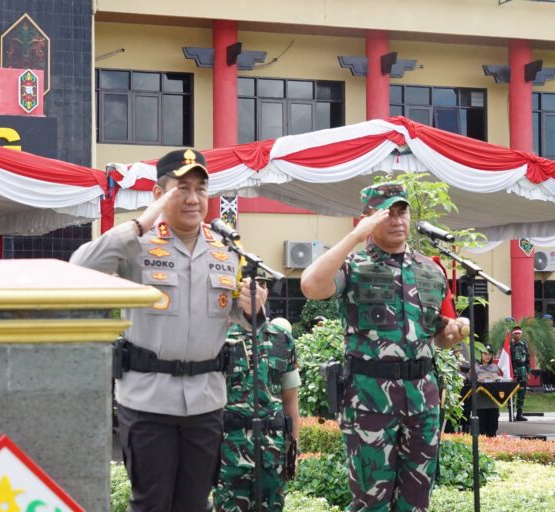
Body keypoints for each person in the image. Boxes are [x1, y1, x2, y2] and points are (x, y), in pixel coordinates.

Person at [70, 149, 267, 512]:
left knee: (195, 504)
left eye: (201, 189)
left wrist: (255, 310)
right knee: (151, 504)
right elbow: (80, 267)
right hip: (147, 402)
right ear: (159, 195)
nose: (193, 199)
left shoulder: (227, 252)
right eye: (182, 189)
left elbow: (244, 319)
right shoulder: (137, 244)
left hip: (206, 403)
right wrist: (141, 223)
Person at [300, 182, 469, 512]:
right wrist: (353, 237)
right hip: (369, 401)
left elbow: (435, 335)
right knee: (371, 501)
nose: (396, 220)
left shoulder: (430, 270)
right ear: (367, 219)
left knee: (417, 501)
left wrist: (452, 333)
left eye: (401, 211)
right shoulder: (354, 266)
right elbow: (310, 285)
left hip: (422, 400)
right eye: (385, 213)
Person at [213, 286, 301, 512]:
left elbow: (290, 399)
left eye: (258, 287)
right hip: (229, 451)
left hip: (273, 451)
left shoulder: (282, 339)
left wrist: (294, 449)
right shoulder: (218, 338)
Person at [475, 345, 502, 437]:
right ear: (480, 354)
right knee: (481, 431)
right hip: (480, 404)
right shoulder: (475, 368)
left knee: (492, 431)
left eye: (490, 354)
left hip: (493, 403)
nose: (488, 356)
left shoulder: (496, 368)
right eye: (485, 353)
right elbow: (471, 382)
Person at [510, 326, 530, 421]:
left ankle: (519, 414)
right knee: (512, 394)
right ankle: (511, 414)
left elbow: (528, 359)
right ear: (512, 334)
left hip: (523, 372)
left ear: (521, 334)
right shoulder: (510, 346)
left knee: (522, 393)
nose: (517, 335)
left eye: (519, 333)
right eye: (515, 333)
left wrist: (528, 372)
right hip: (513, 371)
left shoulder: (524, 345)